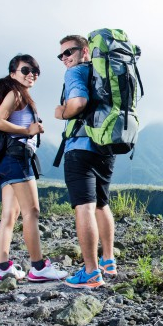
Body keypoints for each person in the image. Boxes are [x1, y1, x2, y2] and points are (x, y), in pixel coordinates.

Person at [0, 54, 68, 283]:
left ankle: (2, 268)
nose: (31, 74)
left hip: (6, 160)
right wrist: (27, 131)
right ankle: (39, 267)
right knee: (32, 212)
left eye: (35, 71)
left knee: (10, 215)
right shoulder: (15, 94)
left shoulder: (18, 94)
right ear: (13, 73)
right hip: (16, 158)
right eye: (25, 70)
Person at [54, 36, 117, 289]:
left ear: (85, 50)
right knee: (102, 204)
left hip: (81, 148)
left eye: (69, 52)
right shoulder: (106, 76)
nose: (65, 58)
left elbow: (78, 103)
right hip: (106, 149)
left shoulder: (76, 73)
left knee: (84, 207)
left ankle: (91, 272)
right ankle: (108, 261)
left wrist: (61, 112)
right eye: (61, 55)